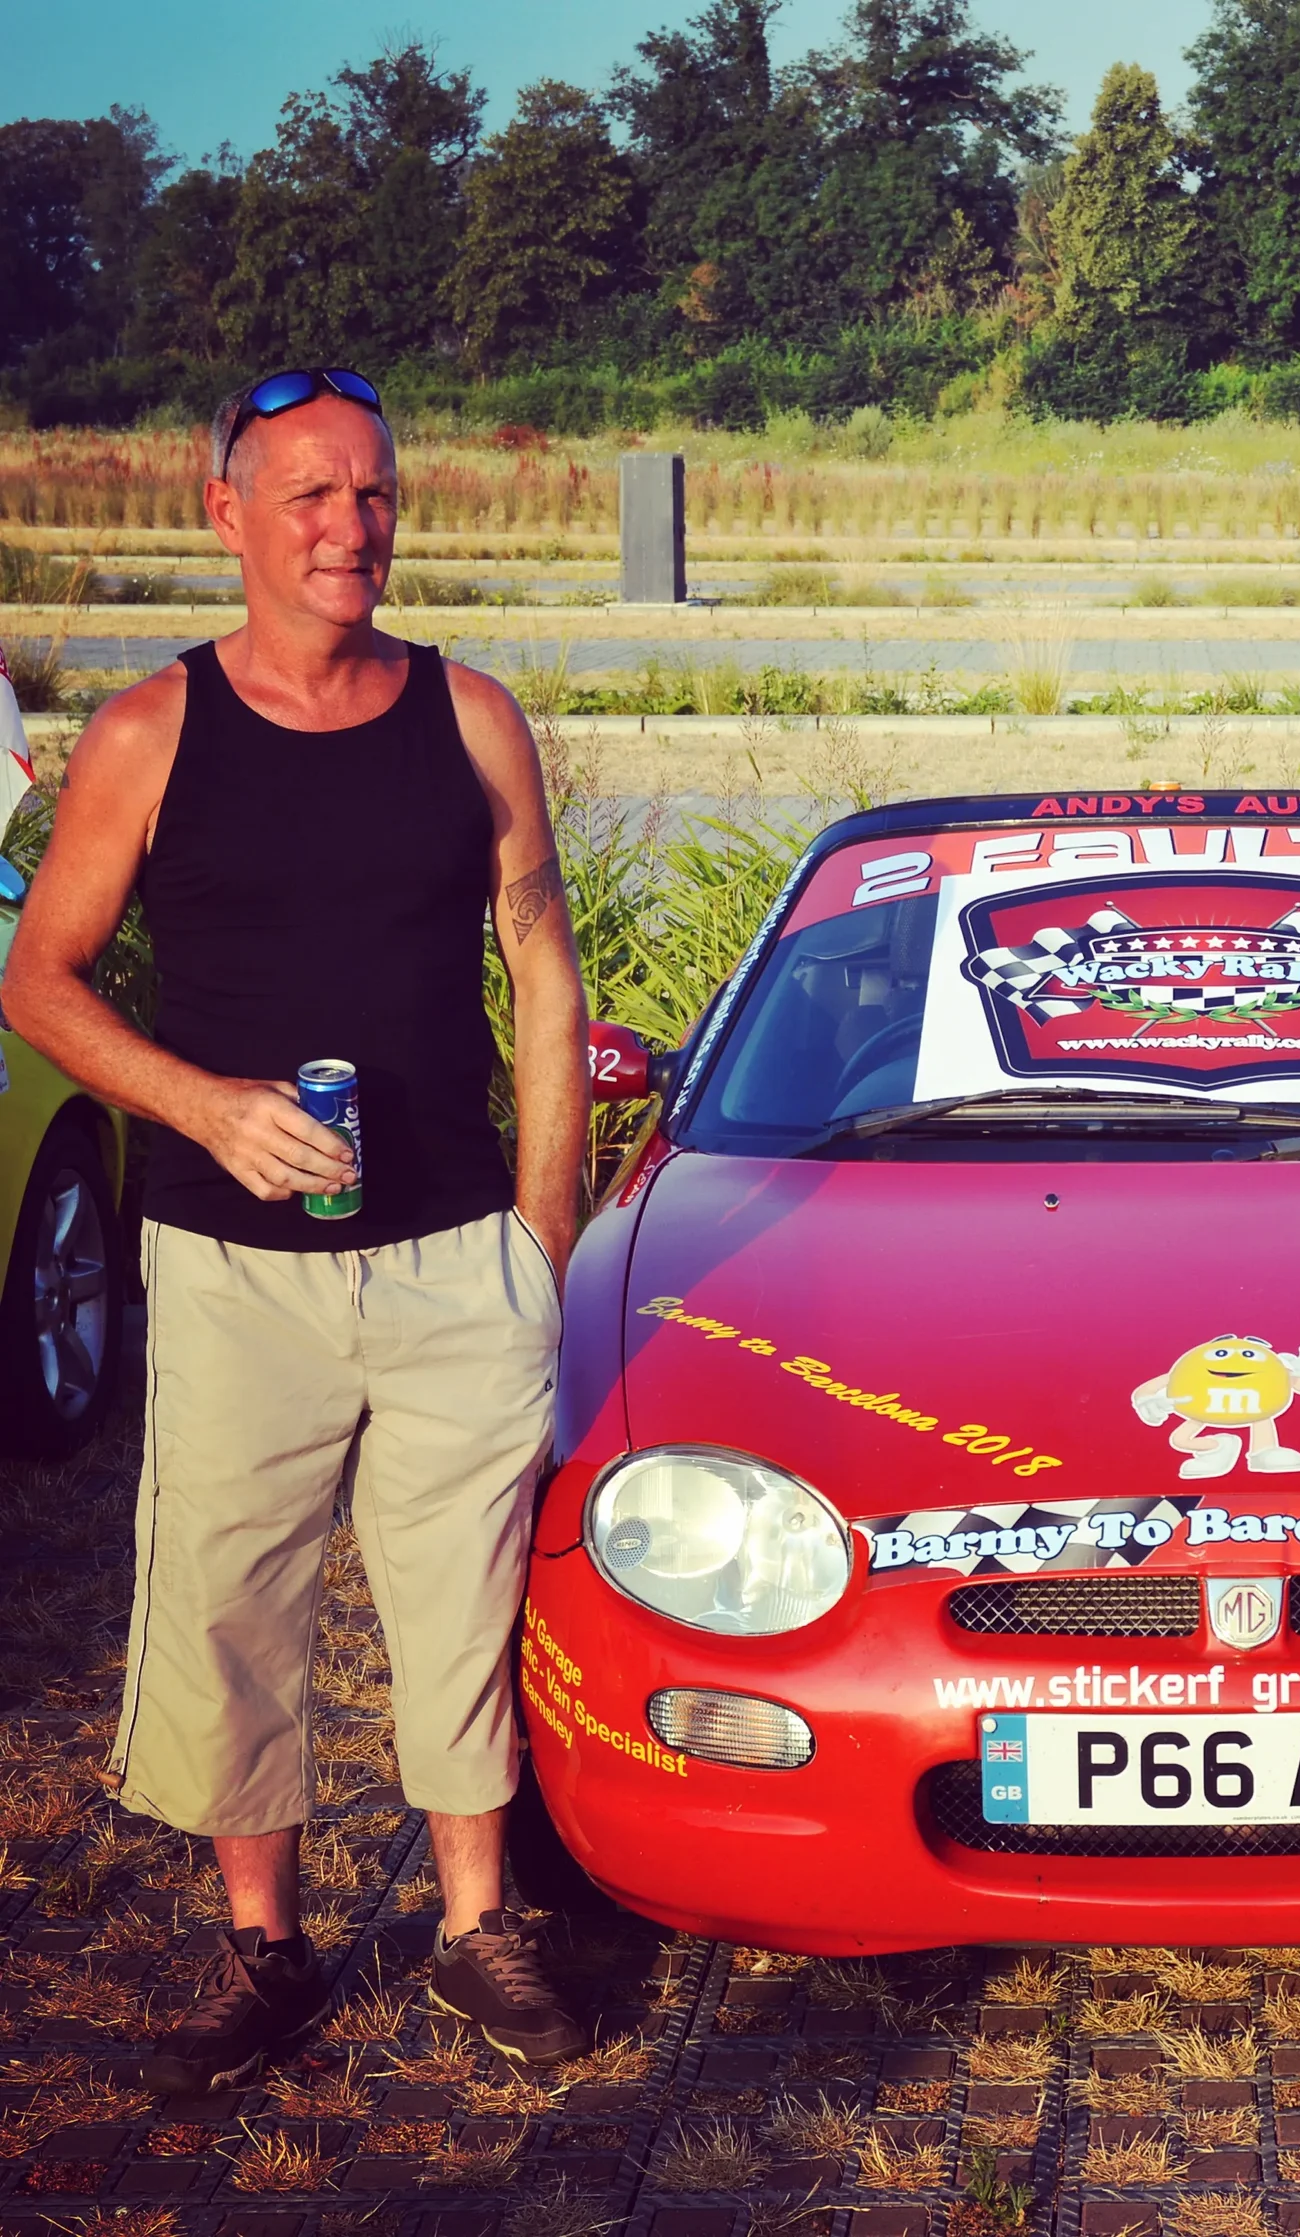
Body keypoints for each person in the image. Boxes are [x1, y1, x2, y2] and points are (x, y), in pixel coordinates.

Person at [3, 368, 593, 2091]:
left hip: (453, 1258)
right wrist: (198, 1103)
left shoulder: (471, 717)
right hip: (232, 1266)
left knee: (462, 1600)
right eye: (314, 495)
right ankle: (267, 1949)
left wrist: (542, 1229)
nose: (352, 527)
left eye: (378, 495)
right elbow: (39, 980)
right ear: (231, 515)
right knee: (228, 1605)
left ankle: (478, 1931)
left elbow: (541, 963)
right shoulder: (146, 735)